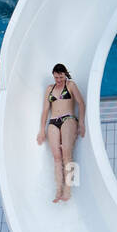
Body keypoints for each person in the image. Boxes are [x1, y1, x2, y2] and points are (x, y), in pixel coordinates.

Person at [36, 63, 86, 202]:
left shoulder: (70, 86)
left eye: (61, 77)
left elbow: (81, 103)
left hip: (68, 118)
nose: (58, 80)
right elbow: (45, 110)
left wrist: (81, 122)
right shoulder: (49, 89)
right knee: (56, 157)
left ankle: (68, 190)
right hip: (53, 122)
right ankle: (59, 189)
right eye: (56, 77)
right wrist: (41, 130)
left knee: (66, 154)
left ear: (65, 74)